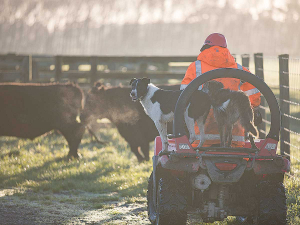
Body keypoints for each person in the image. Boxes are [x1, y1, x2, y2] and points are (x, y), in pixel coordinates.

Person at [181, 33, 261, 147]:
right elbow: (254, 93)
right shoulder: (238, 69)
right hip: (234, 139)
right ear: (225, 49)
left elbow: (183, 95)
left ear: (205, 48)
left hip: (201, 140)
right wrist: (252, 108)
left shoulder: (195, 67)